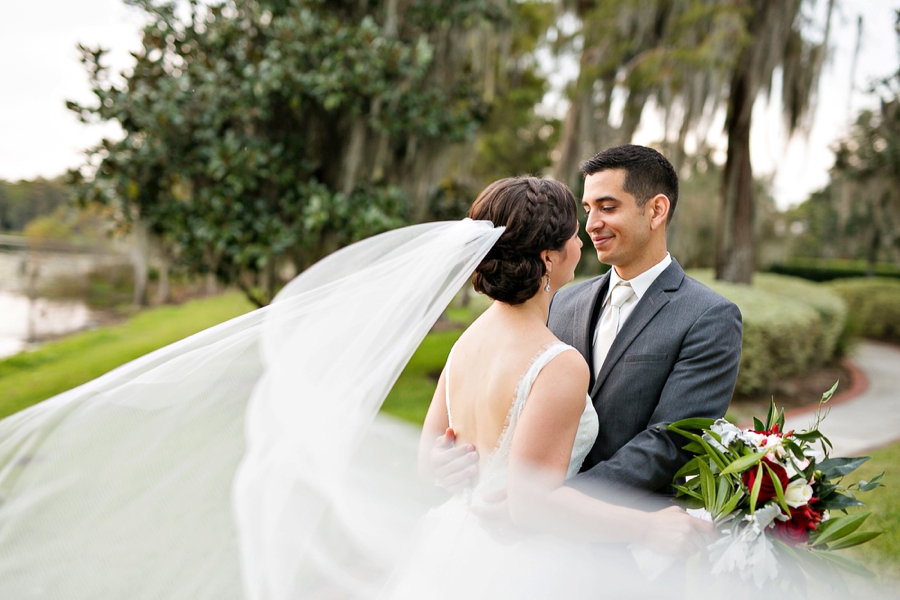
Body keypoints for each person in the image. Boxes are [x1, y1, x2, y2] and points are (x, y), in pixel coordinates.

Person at [431, 144, 743, 511]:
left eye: (608, 207)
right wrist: (447, 459)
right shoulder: (561, 300)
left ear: (656, 210)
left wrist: (554, 502)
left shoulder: (709, 317)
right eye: (588, 209)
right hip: (518, 520)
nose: (592, 224)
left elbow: (672, 443)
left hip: (623, 541)